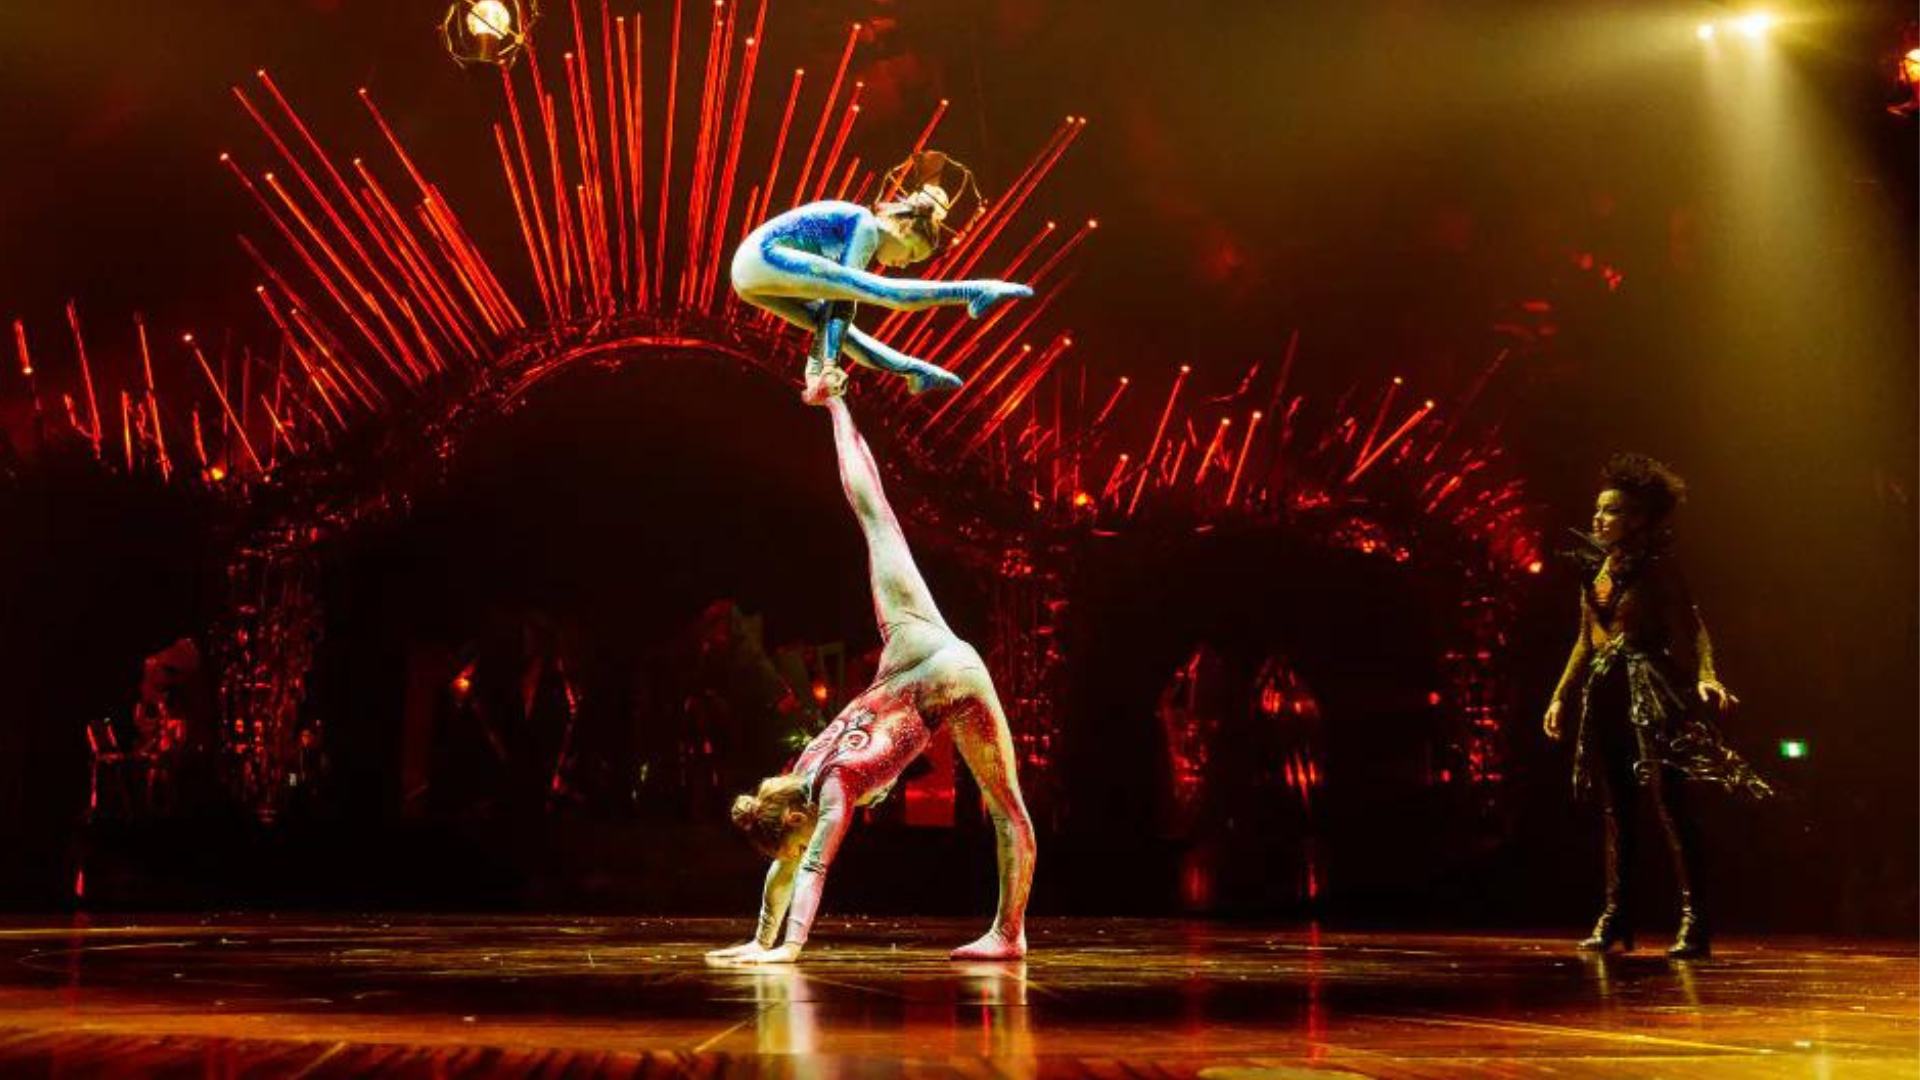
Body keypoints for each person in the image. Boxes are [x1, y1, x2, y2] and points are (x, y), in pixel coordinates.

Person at [706, 388, 1036, 963]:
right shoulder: (800, 772)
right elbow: (787, 862)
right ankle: (835, 402)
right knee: (875, 518)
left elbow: (811, 865)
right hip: (912, 645)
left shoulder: (833, 788)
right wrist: (758, 940)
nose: (799, 848)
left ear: (796, 818)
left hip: (951, 683)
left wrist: (786, 948)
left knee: (1008, 810)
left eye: (794, 839)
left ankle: (1010, 934)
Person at [1543, 453, 1771, 959]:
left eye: (1612, 510)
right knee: (1616, 809)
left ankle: (1695, 922)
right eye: (1598, 509)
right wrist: (1560, 695)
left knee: (1670, 805)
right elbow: (1586, 639)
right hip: (1606, 693)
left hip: (1650, 690)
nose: (1599, 518)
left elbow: (1693, 624)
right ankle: (1616, 916)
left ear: (1639, 518)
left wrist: (1708, 675)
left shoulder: (1658, 568)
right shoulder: (1595, 570)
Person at [729, 153, 1033, 404]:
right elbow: (844, 301)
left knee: (840, 327)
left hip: (751, 279)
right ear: (902, 228)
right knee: (880, 291)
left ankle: (915, 371)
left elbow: (832, 313)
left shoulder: (858, 228)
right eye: (911, 253)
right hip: (763, 255)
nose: (904, 264)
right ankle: (975, 290)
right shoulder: (865, 225)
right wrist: (829, 366)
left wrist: (814, 376)